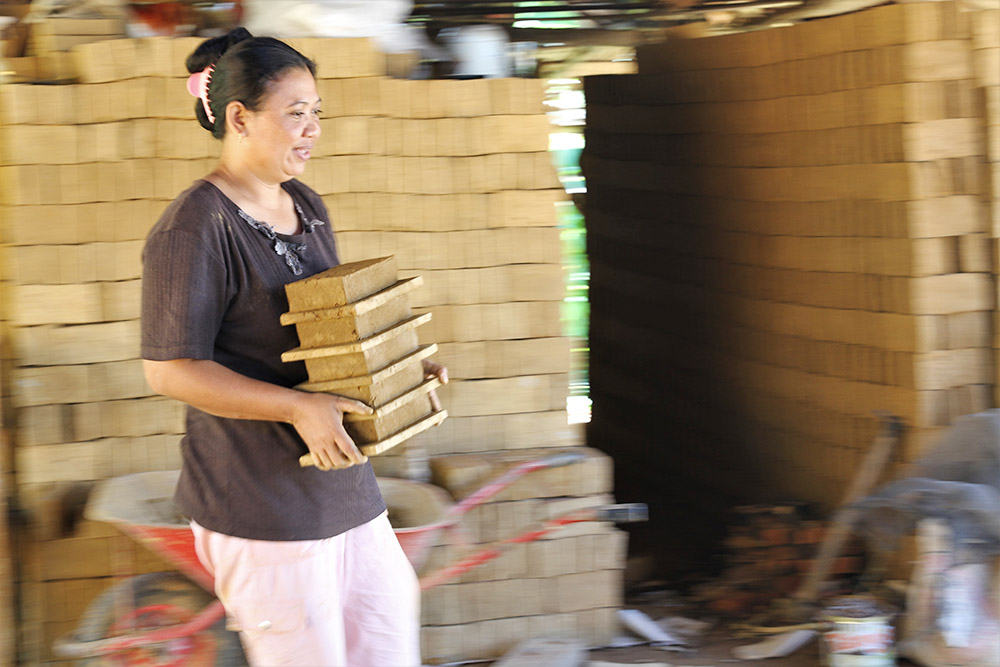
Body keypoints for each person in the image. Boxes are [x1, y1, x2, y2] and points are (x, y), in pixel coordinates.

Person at [140, 28, 444, 666]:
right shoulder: (195, 227)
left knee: (388, 651)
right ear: (239, 118)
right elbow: (170, 370)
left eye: (316, 114)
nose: (311, 129)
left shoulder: (306, 204)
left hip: (344, 488)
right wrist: (297, 408)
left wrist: (395, 372)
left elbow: (323, 328)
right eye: (295, 114)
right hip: (260, 502)